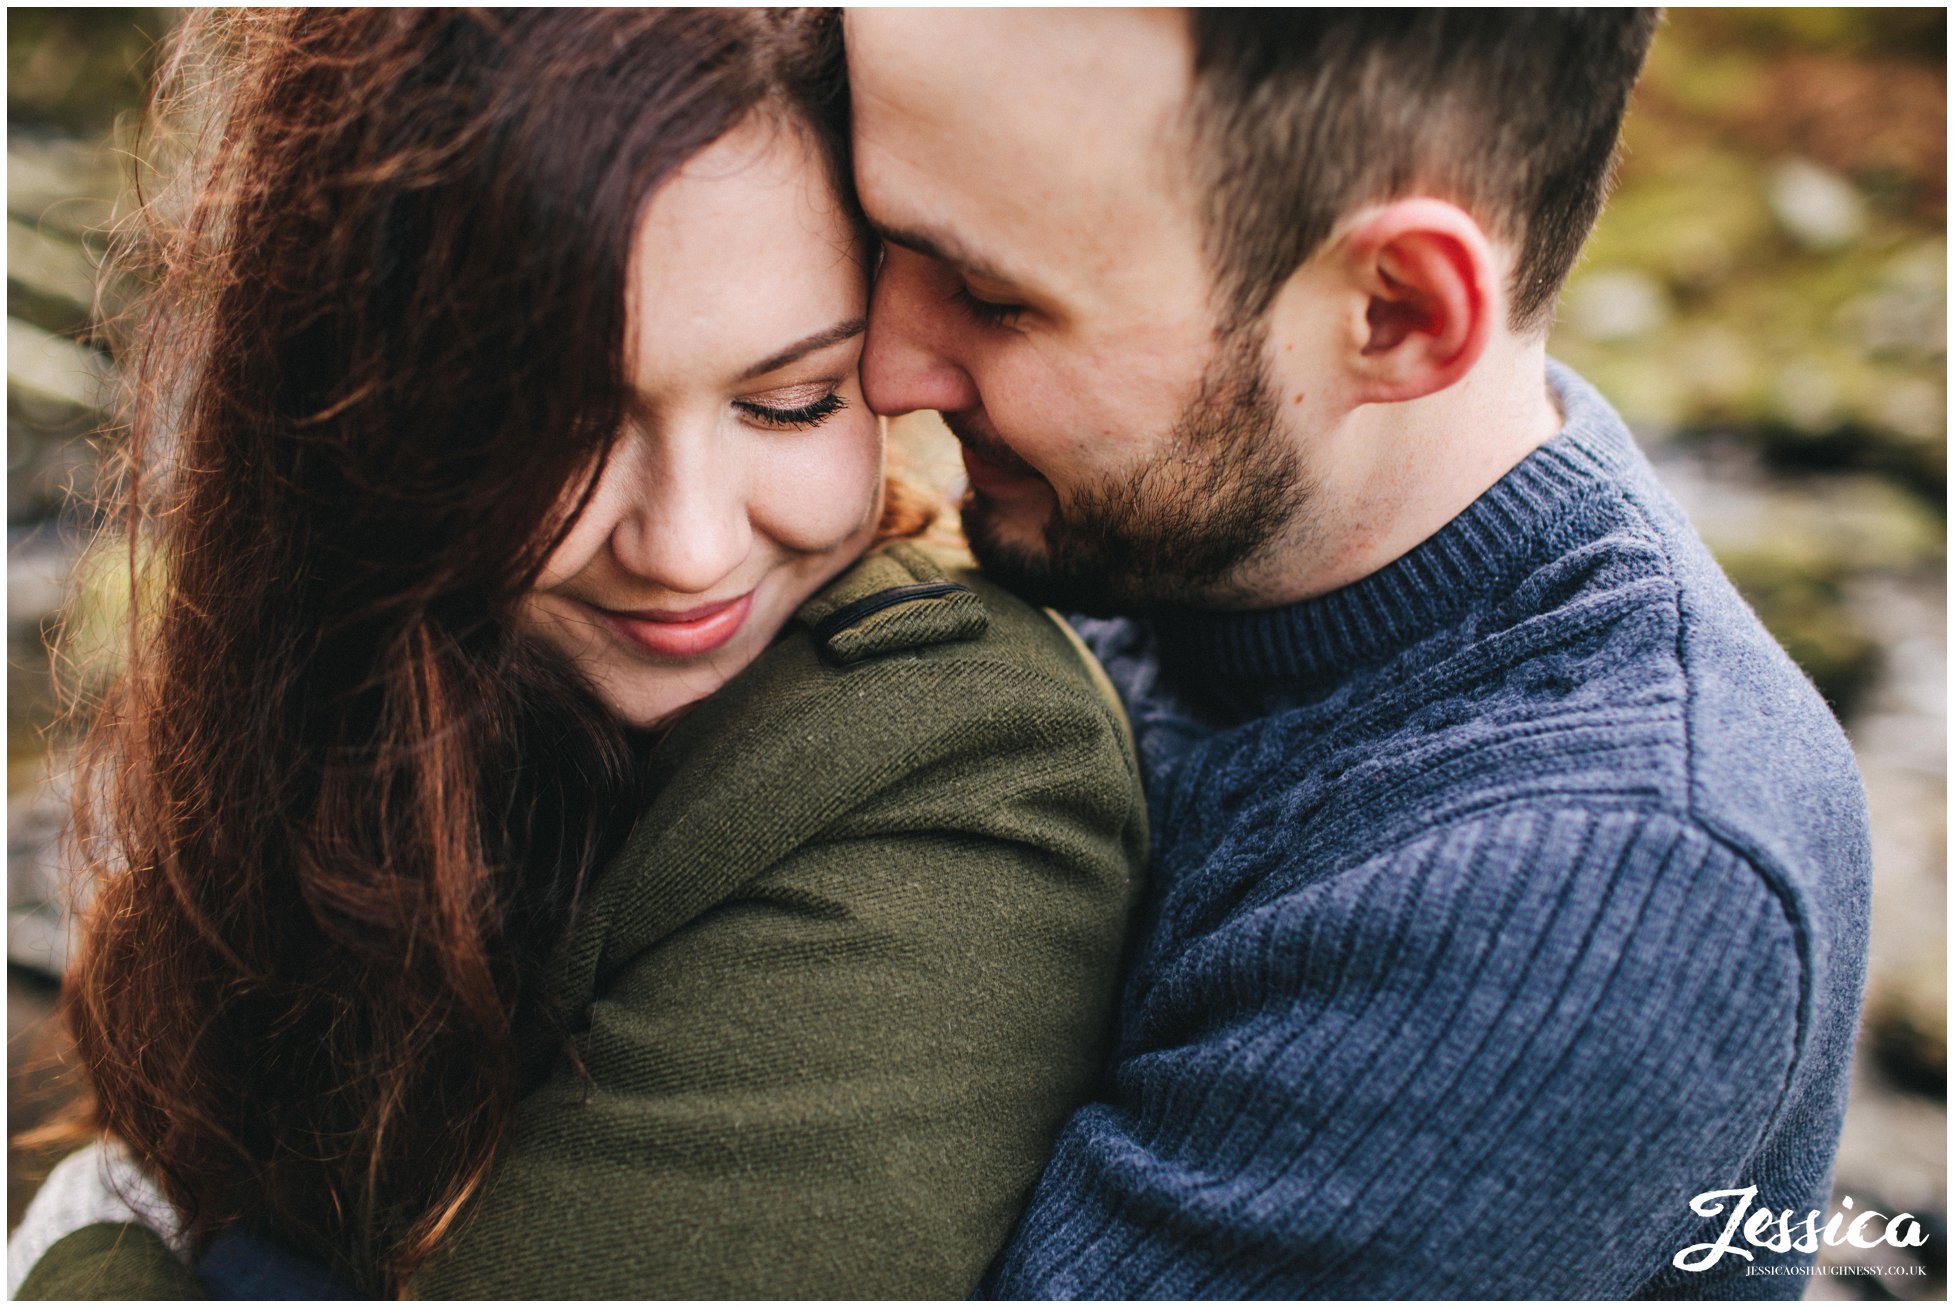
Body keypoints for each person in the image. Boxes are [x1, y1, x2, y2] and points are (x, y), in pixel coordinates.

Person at [9, 10, 1143, 1299]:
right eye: (561, 424)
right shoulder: (386, 656)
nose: (687, 547)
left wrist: (97, 1254)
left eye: (791, 401)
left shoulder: (963, 763)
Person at [845, 9, 1872, 1298]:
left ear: (1393, 313)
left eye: (993, 297)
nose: (886, 372)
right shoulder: (1142, 530)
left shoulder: (1594, 896)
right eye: (879, 236)